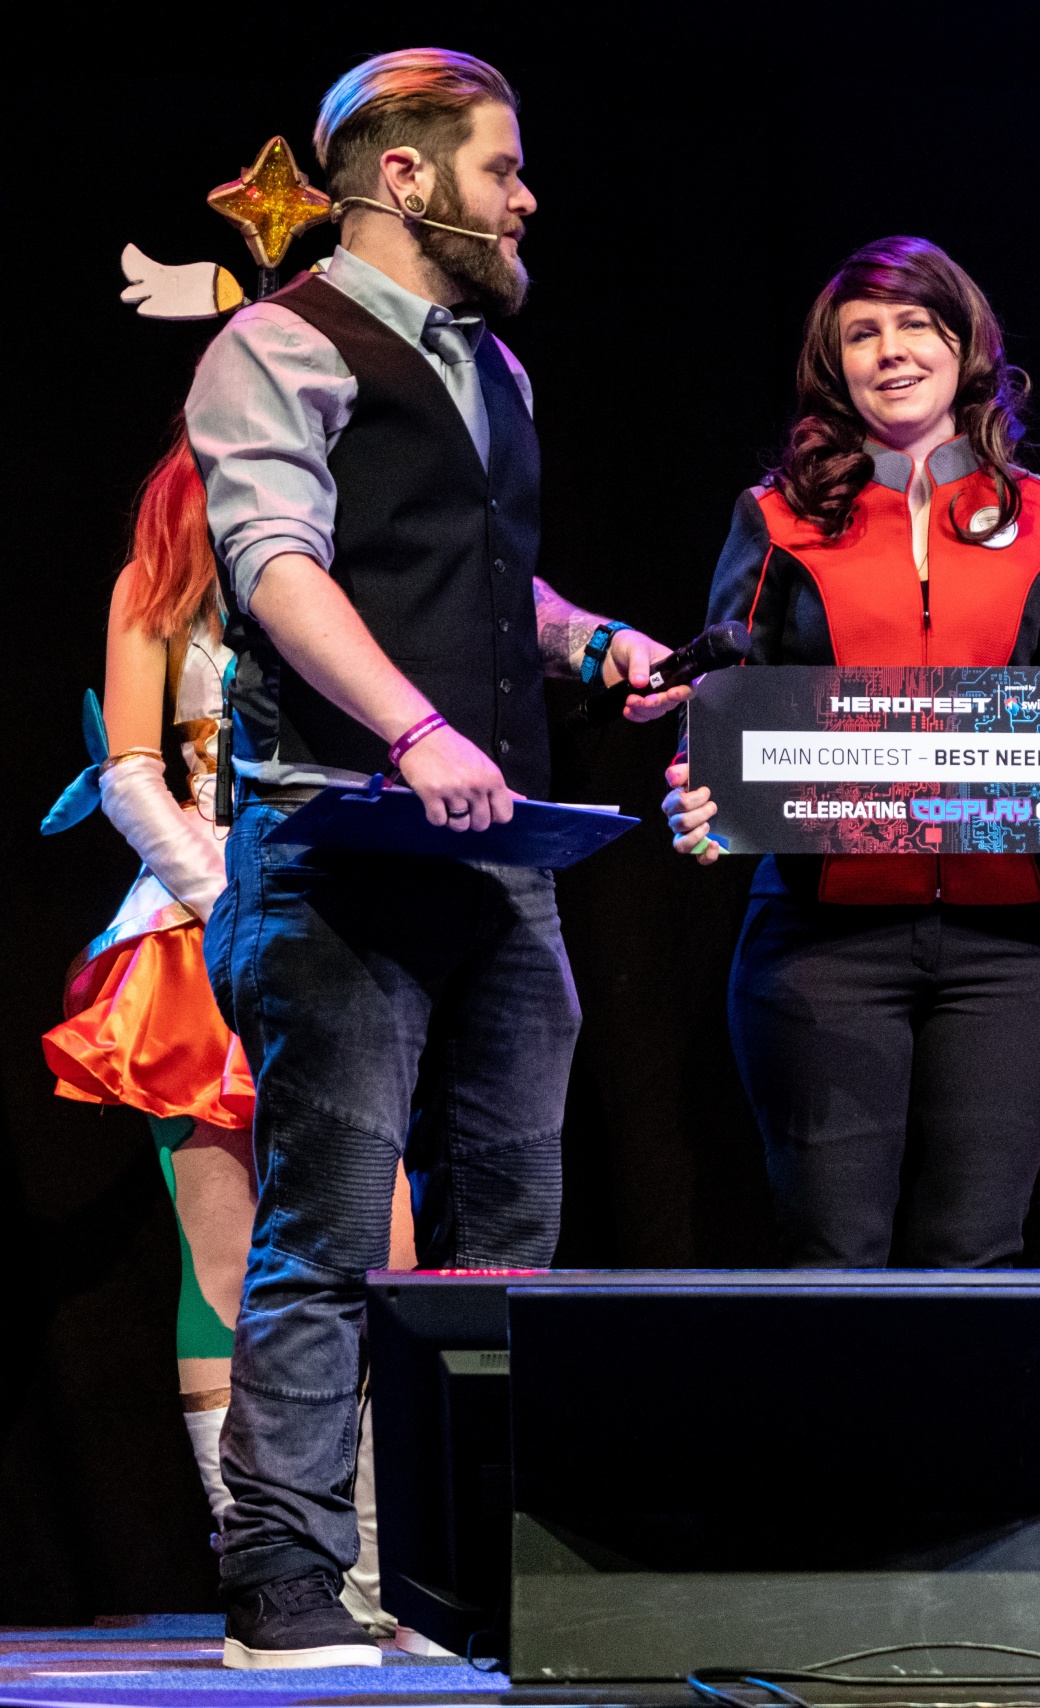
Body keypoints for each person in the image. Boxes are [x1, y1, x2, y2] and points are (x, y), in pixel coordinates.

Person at [188, 48, 686, 1668]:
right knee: (333, 1226)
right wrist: (412, 729)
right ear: (405, 177)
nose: (526, 197)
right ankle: (281, 1581)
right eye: (502, 166)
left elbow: (477, 580)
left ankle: (461, 1577)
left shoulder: (493, 368)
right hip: (337, 840)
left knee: (505, 1233)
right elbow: (281, 568)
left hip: (494, 853)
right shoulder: (279, 344)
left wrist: (590, 642)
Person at [661, 239, 1040, 1271]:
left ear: (965, 346)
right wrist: (700, 792)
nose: (890, 350)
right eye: (862, 334)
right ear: (834, 365)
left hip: (1010, 953)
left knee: (975, 1257)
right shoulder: (777, 518)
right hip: (821, 947)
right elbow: (729, 702)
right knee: (832, 1256)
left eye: (915, 325)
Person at [41, 442, 420, 1640]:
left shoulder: (356, 566)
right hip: (197, 934)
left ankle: (381, 1570)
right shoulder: (157, 577)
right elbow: (130, 776)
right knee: (229, 1258)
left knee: (386, 1250)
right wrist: (233, 904)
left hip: (346, 923)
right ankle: (268, 1563)